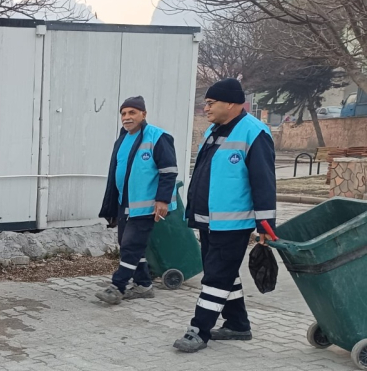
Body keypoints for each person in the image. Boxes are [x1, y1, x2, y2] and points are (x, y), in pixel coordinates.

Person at [174, 78, 276, 353]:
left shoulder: (254, 132)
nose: (205, 108)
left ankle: (199, 330)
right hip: (209, 220)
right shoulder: (214, 130)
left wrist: (265, 225)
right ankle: (238, 324)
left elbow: (264, 182)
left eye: (210, 103)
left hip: (234, 224)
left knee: (216, 277)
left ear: (231, 103)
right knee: (221, 272)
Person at [96, 96, 178, 305]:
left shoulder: (158, 137)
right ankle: (143, 285)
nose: (127, 117)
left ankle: (118, 287)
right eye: (123, 113)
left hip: (147, 205)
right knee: (128, 246)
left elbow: (168, 171)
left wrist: (162, 200)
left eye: (132, 112)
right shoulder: (123, 139)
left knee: (131, 245)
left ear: (143, 114)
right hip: (126, 203)